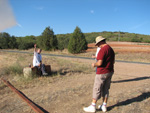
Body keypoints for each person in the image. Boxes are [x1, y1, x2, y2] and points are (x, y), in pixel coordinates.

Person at [83, 36, 115, 112]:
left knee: (97, 88)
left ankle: (93, 106)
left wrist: (94, 64)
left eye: (97, 44)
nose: (97, 46)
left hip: (102, 73)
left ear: (100, 42)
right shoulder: (111, 49)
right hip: (110, 71)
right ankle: (104, 106)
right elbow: (113, 62)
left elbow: (99, 63)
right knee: (106, 89)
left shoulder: (102, 50)